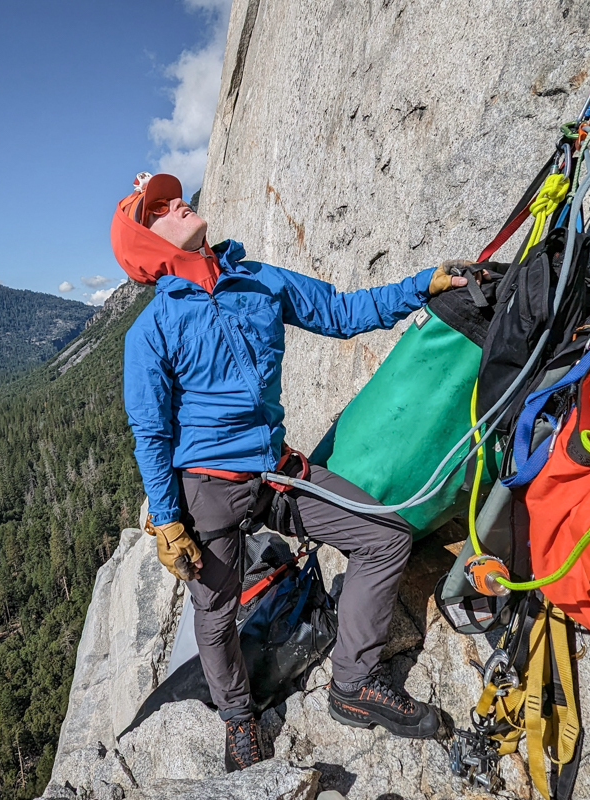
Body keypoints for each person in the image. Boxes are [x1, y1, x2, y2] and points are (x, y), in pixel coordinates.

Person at [111, 172, 471, 773]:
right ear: (148, 245)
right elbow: (151, 432)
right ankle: (237, 718)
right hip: (209, 489)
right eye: (159, 210)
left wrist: (422, 287)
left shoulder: (258, 281)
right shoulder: (151, 330)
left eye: (175, 197)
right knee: (216, 608)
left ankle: (353, 683)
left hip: (277, 472)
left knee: (384, 538)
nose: (179, 203)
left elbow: (339, 311)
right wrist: (170, 519)